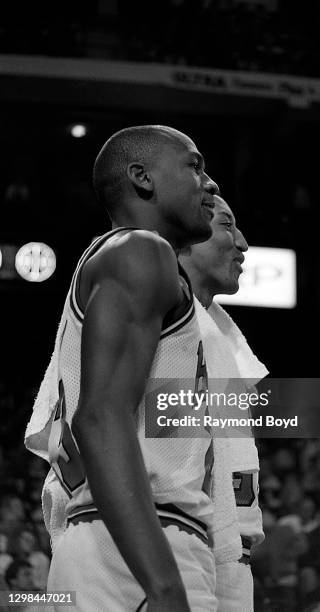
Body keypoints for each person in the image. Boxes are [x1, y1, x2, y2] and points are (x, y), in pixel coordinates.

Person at [25, 125, 220, 611]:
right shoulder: (140, 250)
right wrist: (165, 587)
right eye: (194, 166)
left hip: (122, 540)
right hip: (137, 549)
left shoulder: (135, 260)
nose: (210, 182)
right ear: (142, 177)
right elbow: (99, 417)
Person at [179, 195, 268, 611]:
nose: (243, 243)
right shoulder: (157, 326)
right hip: (174, 554)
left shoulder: (217, 338)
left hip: (222, 561)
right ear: (186, 232)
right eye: (227, 225)